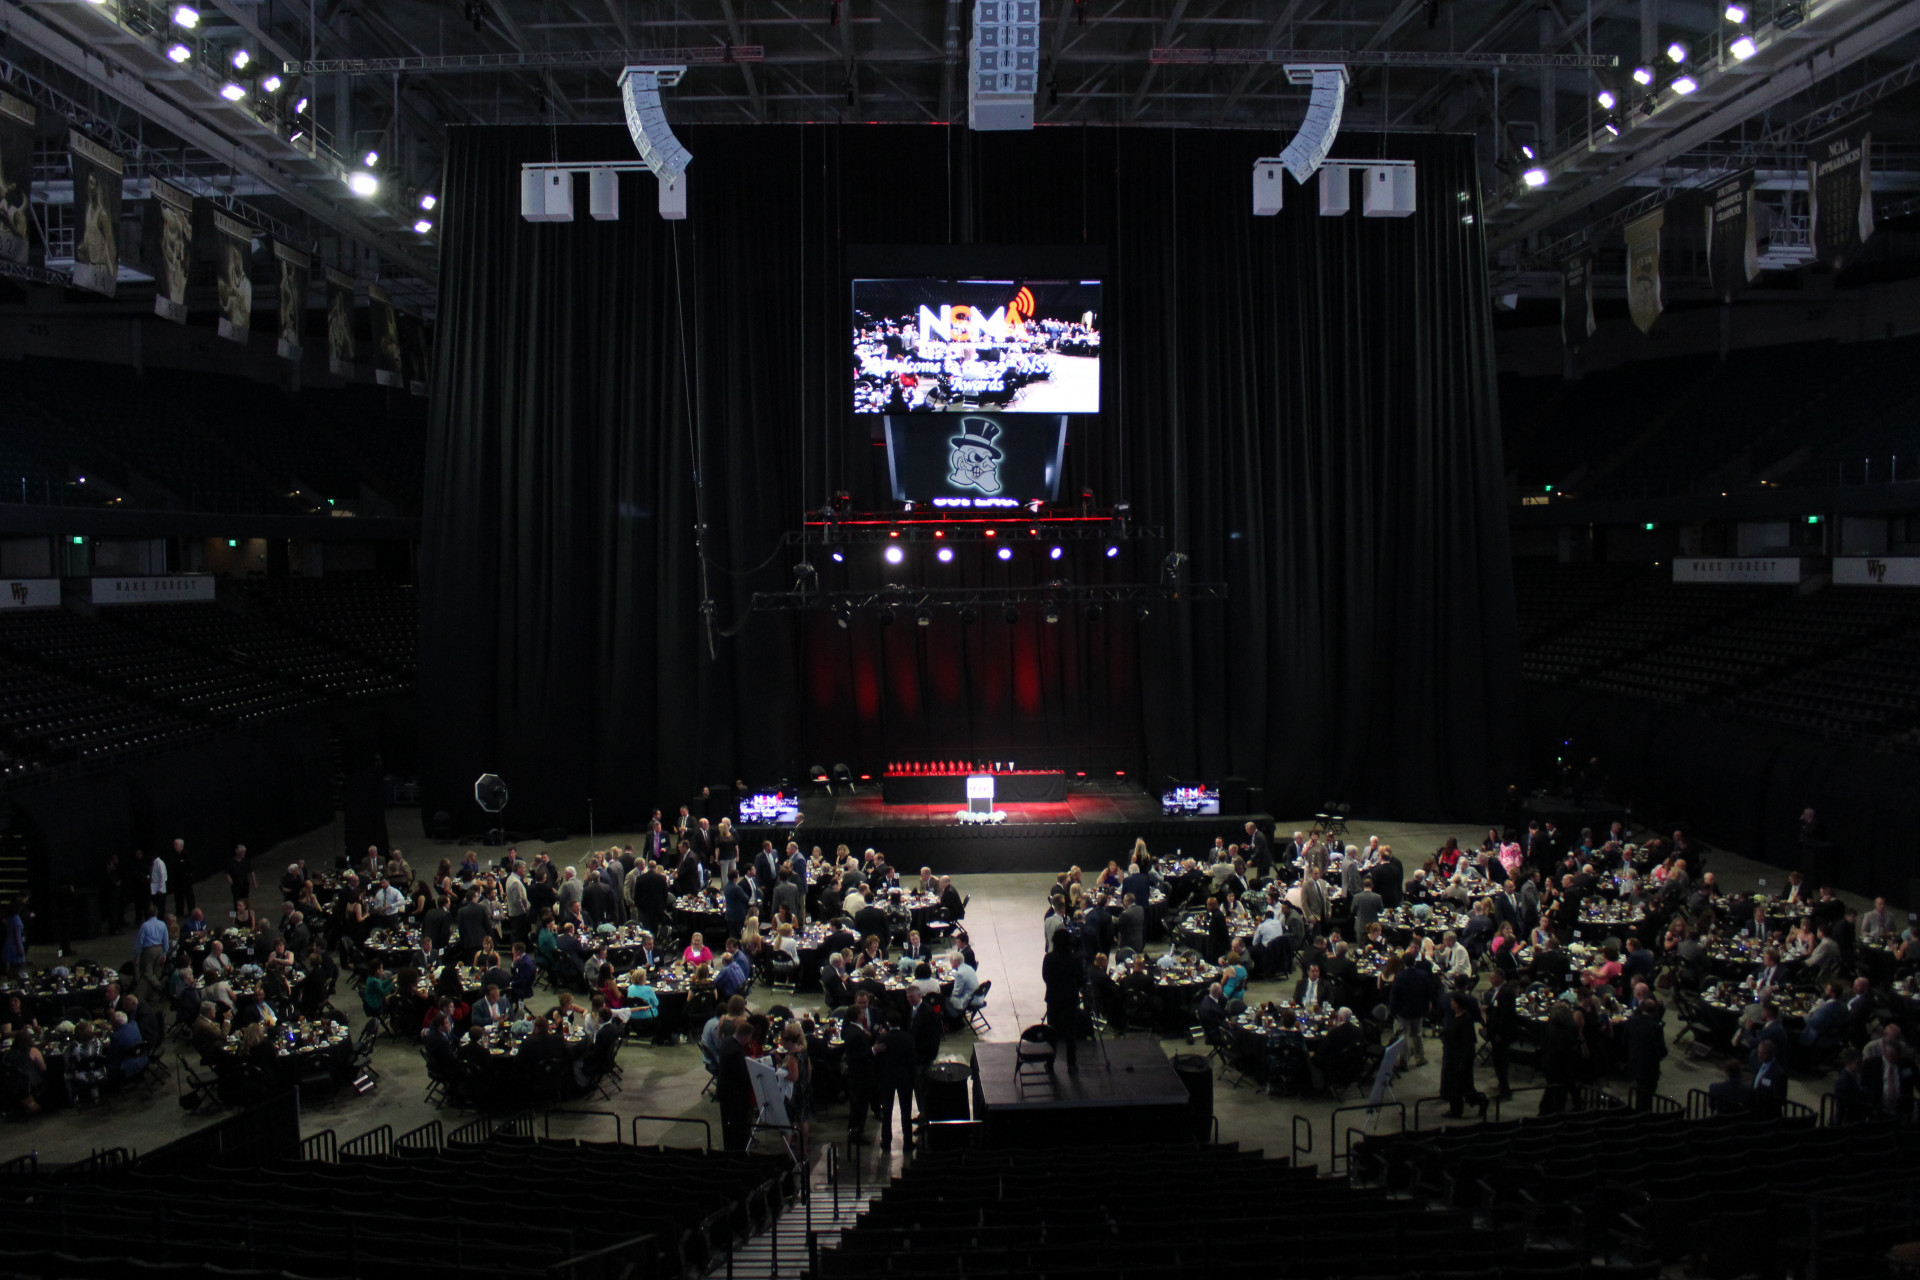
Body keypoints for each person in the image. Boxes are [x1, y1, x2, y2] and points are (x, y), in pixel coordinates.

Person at [1041, 929, 1082, 1074]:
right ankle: (1071, 1064)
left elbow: (1045, 977)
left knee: (1052, 1031)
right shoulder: (1075, 959)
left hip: (1053, 998)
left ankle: (1050, 1062)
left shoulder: (1049, 958)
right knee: (1071, 1032)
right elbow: (1081, 980)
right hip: (1070, 999)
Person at [1440, 992, 1486, 1118]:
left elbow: (1468, 1043)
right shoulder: (1455, 1016)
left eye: (1453, 1001)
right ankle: (1456, 1110)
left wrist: (1464, 1061)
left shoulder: (1466, 1020)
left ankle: (1481, 1101)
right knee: (1455, 1086)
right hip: (1452, 1056)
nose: (1451, 1003)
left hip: (1460, 1058)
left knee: (1464, 1087)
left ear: (1458, 1004)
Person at [1624, 998, 1667, 1109]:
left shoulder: (1631, 1021)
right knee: (1647, 1095)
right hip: (1649, 1066)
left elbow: (1624, 1041)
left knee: (1639, 1090)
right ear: (1655, 1010)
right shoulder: (1655, 1027)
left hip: (1634, 1062)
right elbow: (1661, 1050)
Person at [779, 1019, 812, 1155]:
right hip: (804, 1090)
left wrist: (780, 1073)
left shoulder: (792, 1056)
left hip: (794, 1093)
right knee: (803, 1121)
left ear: (788, 1041)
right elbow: (809, 1069)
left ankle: (786, 1154)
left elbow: (794, 1077)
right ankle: (804, 1150)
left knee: (787, 1124)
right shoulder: (803, 1050)